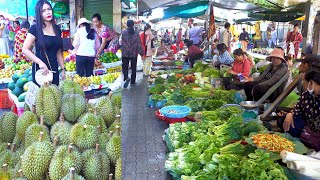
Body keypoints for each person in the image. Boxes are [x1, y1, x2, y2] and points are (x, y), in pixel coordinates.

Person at [22, 0, 65, 86]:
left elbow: (59, 52)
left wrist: (63, 69)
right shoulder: (35, 28)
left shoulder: (57, 29)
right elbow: (25, 49)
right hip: (41, 71)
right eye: (43, 11)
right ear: (39, 14)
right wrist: (40, 63)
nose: (47, 12)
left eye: (49, 9)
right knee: (43, 98)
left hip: (54, 69)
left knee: (55, 95)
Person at [276, 68, 320, 151]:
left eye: (304, 81)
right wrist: (290, 114)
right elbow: (298, 108)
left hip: (316, 131)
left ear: (311, 82)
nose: (303, 83)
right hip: (307, 125)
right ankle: (305, 137)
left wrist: (309, 131)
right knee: (284, 120)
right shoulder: (307, 94)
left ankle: (306, 138)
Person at [120, 19, 144, 88]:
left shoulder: (123, 32)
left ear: (126, 25)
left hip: (125, 53)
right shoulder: (136, 33)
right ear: (133, 25)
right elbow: (139, 44)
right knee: (133, 68)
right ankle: (132, 82)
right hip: (133, 53)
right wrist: (141, 53)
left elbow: (121, 42)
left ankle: (126, 77)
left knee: (125, 67)